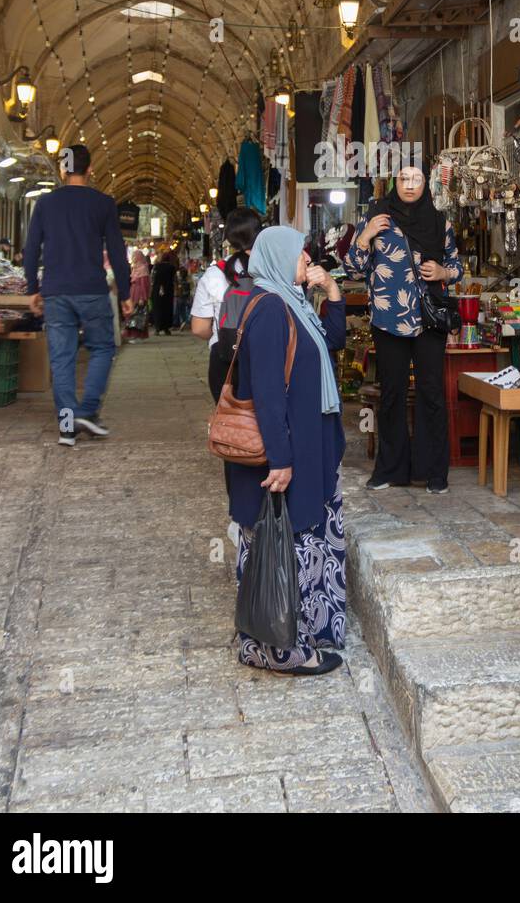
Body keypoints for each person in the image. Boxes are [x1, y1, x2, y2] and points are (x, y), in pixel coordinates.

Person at [230, 225, 346, 675]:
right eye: (300, 253)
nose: (306, 260)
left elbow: (331, 343)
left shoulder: (294, 303)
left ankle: (291, 635)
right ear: (278, 257)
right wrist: (280, 458)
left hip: (307, 442)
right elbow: (266, 393)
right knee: (284, 545)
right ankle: (280, 649)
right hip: (287, 450)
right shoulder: (271, 310)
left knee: (299, 539)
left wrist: (333, 290)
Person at [344, 163, 462, 494]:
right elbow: (352, 267)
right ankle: (390, 470)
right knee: (392, 395)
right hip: (388, 320)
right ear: (394, 182)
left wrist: (442, 272)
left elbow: (457, 266)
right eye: (403, 179)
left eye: (417, 179)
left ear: (426, 183)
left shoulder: (440, 222)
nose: (410, 185)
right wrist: (366, 236)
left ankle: (434, 473)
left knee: (431, 394)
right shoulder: (376, 219)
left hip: (428, 320)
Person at [23, 144, 132, 445]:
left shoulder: (45, 204)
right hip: (92, 290)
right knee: (102, 349)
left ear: (62, 169)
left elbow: (31, 249)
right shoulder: (103, 204)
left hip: (56, 291)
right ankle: (87, 411)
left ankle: (68, 425)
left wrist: (32, 288)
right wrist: (125, 292)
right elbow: (118, 253)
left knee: (62, 358)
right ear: (90, 168)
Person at [191, 209, 262, 402]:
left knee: (231, 425)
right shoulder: (272, 269)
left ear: (228, 239)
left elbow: (199, 328)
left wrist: (219, 333)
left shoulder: (214, 274)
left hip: (225, 357)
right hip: (266, 355)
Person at [151, 250, 177, 335]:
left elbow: (153, 278)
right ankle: (166, 328)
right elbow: (174, 279)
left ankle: (158, 328)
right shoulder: (172, 267)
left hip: (157, 290)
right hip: (168, 290)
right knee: (167, 308)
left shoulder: (156, 266)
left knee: (158, 308)